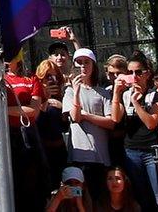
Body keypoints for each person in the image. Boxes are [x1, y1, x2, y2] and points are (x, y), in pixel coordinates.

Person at [0, 53, 48, 210]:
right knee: (6, 185)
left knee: (31, 185)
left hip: (27, 138)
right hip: (2, 138)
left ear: (18, 58)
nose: (5, 59)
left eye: (10, 55)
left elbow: (33, 110)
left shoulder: (31, 79)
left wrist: (3, 109)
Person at [110, 51, 158, 212]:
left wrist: (136, 102)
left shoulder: (155, 96)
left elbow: (151, 124)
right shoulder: (125, 95)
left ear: (147, 74)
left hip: (152, 151)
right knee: (140, 194)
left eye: (138, 72)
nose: (135, 76)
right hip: (131, 151)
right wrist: (117, 93)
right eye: (130, 72)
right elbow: (115, 118)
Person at [64, 48, 115, 202]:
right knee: (80, 200)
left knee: (99, 198)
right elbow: (75, 116)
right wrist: (77, 91)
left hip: (100, 157)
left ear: (93, 65)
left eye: (86, 62)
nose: (83, 66)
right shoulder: (69, 92)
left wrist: (87, 115)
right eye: (79, 63)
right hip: (79, 156)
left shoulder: (103, 93)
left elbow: (111, 122)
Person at [37, 58, 70, 190]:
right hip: (42, 151)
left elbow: (65, 126)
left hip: (60, 149)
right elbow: (37, 122)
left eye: (55, 76)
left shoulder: (63, 96)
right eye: (47, 76)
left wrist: (63, 107)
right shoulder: (36, 97)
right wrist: (45, 99)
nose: (51, 80)